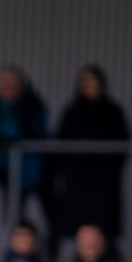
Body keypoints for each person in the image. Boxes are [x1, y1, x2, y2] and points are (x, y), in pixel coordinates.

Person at [52, 66, 128, 243]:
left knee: (103, 221)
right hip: (78, 179)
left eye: (95, 83)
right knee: (77, 221)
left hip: (103, 180)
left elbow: (122, 144)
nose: (91, 87)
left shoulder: (113, 112)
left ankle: (107, 258)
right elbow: (61, 143)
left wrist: (109, 169)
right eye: (87, 83)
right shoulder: (72, 112)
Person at [0, 65, 49, 224]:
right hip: (4, 165)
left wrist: (6, 141)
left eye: (11, 80)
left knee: (39, 210)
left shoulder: (32, 103)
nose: (7, 85)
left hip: (30, 166)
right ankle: (14, 241)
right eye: (3, 81)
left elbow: (35, 133)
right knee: (10, 210)